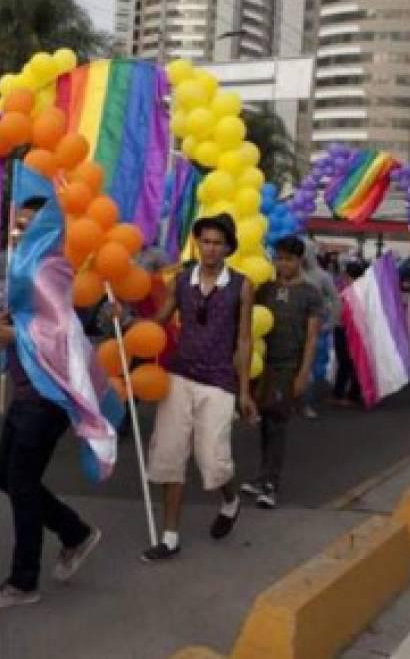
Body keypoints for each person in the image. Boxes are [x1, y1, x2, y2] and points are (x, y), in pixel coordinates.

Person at [0, 196, 105, 607]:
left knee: (22, 482)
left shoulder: (56, 271)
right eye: (18, 225)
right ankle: (75, 532)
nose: (20, 232)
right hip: (25, 391)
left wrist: (19, 336)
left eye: (28, 225)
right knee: (5, 476)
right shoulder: (25, 270)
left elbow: (66, 333)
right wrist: (3, 321)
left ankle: (22, 581)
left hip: (47, 397)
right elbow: (28, 318)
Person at [141, 214, 256, 562]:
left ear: (229, 248)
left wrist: (245, 391)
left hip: (219, 380)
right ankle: (170, 536)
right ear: (197, 243)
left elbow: (245, 339)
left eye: (218, 243)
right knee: (170, 455)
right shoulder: (180, 281)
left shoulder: (242, 285)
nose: (210, 248)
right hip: (180, 375)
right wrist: (129, 323)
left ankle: (230, 500)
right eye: (205, 241)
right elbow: (159, 321)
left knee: (213, 458)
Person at [243, 236, 323, 509]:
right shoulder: (266, 288)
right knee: (264, 422)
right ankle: (261, 476)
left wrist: (303, 374)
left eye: (289, 259)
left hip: (288, 366)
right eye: (279, 258)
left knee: (277, 423)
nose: (283, 264)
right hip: (263, 364)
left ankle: (270, 484)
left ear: (300, 261)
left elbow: (312, 337)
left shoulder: (310, 294)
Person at [301, 240, 339, 419]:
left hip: (318, 328)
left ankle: (307, 403)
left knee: (314, 369)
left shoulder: (323, 277)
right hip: (295, 328)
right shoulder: (292, 274)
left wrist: (331, 322)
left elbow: (336, 300)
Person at [330, 259, 366, 406]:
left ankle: (346, 394)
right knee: (350, 362)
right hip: (353, 330)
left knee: (346, 362)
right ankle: (350, 393)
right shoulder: (360, 291)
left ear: (349, 275)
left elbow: (342, 312)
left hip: (346, 330)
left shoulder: (351, 292)